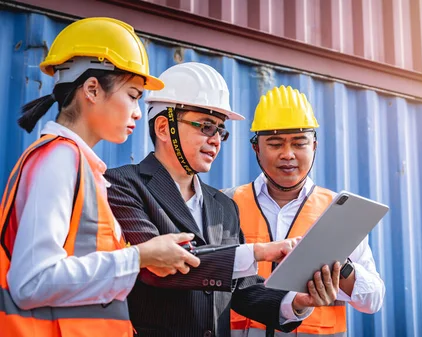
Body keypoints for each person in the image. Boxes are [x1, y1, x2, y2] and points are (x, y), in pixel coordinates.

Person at [105, 62, 341, 337]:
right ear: (162, 127)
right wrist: (258, 252)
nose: (216, 139)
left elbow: (243, 289)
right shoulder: (122, 185)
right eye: (206, 126)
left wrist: (297, 302)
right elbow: (160, 267)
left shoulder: (223, 206)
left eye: (220, 130)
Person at [0, 17, 201, 337]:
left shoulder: (79, 165)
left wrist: (141, 260)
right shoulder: (59, 160)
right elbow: (31, 283)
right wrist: (139, 256)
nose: (138, 111)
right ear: (92, 89)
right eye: (133, 95)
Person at [224, 85, 386, 337]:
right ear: (256, 148)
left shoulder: (339, 212)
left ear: (314, 146)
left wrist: (341, 268)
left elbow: (373, 300)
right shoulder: (226, 204)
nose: (287, 155)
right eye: (275, 143)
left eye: (299, 143)